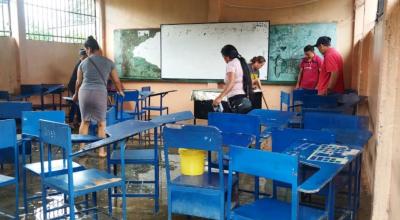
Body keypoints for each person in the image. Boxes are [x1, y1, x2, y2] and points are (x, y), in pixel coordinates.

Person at [72, 36, 124, 157]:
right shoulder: (108, 62)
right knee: (101, 123)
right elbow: (116, 80)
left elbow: (78, 82)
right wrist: (120, 91)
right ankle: (101, 151)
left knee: (84, 122)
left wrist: (75, 94)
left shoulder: (82, 63)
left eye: (86, 49)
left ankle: (82, 149)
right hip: (99, 93)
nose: (86, 52)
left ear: (89, 48)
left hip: (84, 93)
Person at [212, 44, 253, 114]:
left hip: (236, 100)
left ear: (226, 57)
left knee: (232, 123)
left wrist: (220, 97)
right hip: (244, 99)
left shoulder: (231, 64)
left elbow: (231, 82)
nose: (224, 59)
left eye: (223, 57)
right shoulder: (241, 62)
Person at [67, 49, 87, 125]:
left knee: (78, 103)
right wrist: (76, 92)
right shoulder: (81, 64)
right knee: (75, 103)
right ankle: (71, 121)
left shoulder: (82, 63)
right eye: (85, 56)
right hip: (73, 86)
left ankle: (78, 120)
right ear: (82, 56)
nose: (86, 58)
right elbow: (78, 81)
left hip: (77, 86)